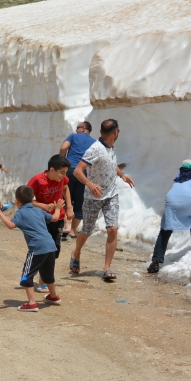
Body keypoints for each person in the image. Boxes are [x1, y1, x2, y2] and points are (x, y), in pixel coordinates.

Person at [69, 119, 135, 282]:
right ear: (116, 133)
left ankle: (107, 268)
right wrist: (90, 184)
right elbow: (78, 171)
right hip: (93, 196)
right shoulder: (95, 149)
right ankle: (76, 252)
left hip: (111, 194)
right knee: (87, 231)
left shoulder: (110, 148)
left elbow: (112, 164)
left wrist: (122, 175)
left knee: (112, 229)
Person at [0, 185, 63, 312]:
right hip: (50, 246)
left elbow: (10, 225)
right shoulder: (38, 210)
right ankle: (53, 296)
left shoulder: (20, 213)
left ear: (17, 201)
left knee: (26, 276)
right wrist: (58, 208)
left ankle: (32, 303)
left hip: (37, 248)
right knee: (47, 274)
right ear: (33, 199)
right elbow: (55, 218)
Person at [147, 160, 191, 274]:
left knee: (165, 230)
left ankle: (155, 262)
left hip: (170, 203)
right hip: (188, 204)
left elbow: (179, 198)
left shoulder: (177, 180)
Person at [27, 154, 73, 293]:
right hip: (42, 220)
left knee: (54, 251)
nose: (63, 176)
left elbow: (65, 188)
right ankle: (42, 281)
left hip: (58, 219)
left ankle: (43, 278)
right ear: (52, 170)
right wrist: (43, 206)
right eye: (61, 173)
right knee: (43, 250)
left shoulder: (62, 179)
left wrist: (69, 208)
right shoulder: (37, 180)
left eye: (65, 173)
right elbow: (26, 199)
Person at [59, 121, 96, 240]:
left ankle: (66, 226)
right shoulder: (94, 142)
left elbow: (63, 147)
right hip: (84, 173)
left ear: (84, 129)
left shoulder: (73, 136)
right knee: (80, 203)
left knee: (65, 198)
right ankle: (73, 231)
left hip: (69, 170)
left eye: (78, 128)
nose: (76, 130)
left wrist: (62, 161)